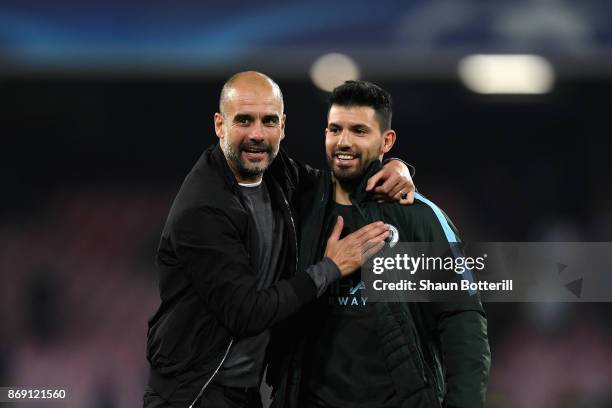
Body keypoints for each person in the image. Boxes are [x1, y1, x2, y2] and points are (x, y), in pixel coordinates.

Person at [143, 71, 416, 408]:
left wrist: (396, 168)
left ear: (282, 126)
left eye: (269, 121)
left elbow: (327, 186)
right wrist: (331, 267)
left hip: (243, 392)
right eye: (244, 120)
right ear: (219, 125)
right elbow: (247, 313)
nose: (257, 135)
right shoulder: (202, 209)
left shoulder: (275, 171)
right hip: (195, 394)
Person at [268, 80, 491, 408]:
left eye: (359, 130)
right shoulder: (297, 213)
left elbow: (462, 322)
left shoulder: (420, 218)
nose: (343, 142)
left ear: (386, 141)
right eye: (335, 129)